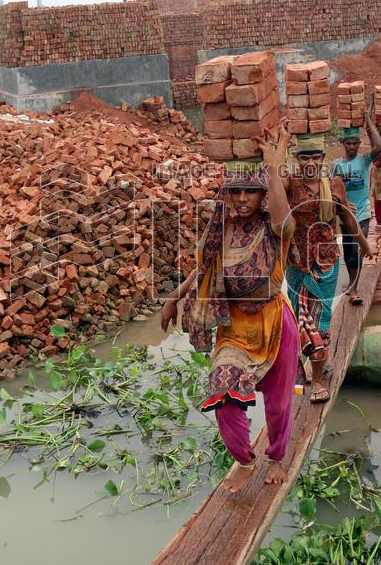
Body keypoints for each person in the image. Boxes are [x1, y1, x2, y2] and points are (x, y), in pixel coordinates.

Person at [161, 128, 296, 493]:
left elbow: (285, 219)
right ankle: (243, 460)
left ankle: (277, 456)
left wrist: (272, 165)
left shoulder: (274, 228)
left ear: (263, 195)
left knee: (279, 403)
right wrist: (175, 295)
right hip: (234, 326)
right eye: (234, 190)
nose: (240, 199)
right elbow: (205, 267)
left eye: (250, 191)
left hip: (274, 323)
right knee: (223, 394)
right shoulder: (222, 228)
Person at [284, 134, 372, 404]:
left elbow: (345, 216)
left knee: (318, 321)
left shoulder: (333, 184)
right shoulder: (290, 185)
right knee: (299, 319)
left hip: (326, 263)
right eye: (304, 157)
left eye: (315, 157)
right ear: (296, 159)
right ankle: (303, 369)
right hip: (297, 265)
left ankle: (319, 379)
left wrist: (364, 244)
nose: (310, 162)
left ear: (323, 159)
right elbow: (270, 191)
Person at [333, 121, 381, 303]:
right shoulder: (336, 165)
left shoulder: (364, 160)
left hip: (363, 213)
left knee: (356, 250)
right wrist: (341, 202)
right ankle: (352, 281)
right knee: (347, 251)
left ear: (359, 144)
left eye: (355, 143)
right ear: (343, 144)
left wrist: (368, 122)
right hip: (345, 215)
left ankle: (354, 288)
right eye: (349, 143)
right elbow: (331, 189)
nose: (352, 146)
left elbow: (380, 146)